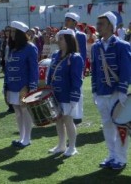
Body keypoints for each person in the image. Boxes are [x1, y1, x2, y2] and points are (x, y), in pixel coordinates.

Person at [92, 11, 131, 170]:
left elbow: (126, 69)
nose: (98, 27)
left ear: (110, 26)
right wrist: (94, 90)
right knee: (107, 125)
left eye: (101, 24)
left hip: (116, 93)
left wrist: (122, 90)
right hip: (102, 92)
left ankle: (121, 158)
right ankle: (111, 155)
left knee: (120, 126)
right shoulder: (96, 47)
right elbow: (94, 70)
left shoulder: (122, 45)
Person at [46, 29, 84, 157]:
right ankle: (61, 145)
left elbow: (76, 80)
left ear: (69, 40)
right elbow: (50, 74)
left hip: (67, 95)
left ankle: (72, 147)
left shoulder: (75, 57)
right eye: (59, 38)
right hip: (55, 94)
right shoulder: (56, 54)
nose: (58, 41)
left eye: (61, 38)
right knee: (58, 120)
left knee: (68, 120)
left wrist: (74, 97)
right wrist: (47, 90)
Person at [4, 21, 38, 148]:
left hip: (24, 86)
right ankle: (21, 137)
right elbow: (8, 68)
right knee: (17, 111)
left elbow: (33, 69)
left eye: (13, 32)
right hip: (13, 85)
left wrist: (31, 87)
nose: (10, 34)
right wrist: (6, 86)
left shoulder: (30, 47)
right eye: (10, 31)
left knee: (25, 110)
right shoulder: (12, 48)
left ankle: (27, 138)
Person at [65, 12, 87, 125]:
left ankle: (78, 116)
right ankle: (69, 114)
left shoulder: (81, 35)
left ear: (75, 22)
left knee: (78, 91)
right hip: (65, 67)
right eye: (66, 19)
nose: (66, 22)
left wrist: (82, 69)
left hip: (76, 66)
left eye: (69, 20)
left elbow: (82, 53)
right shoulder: (63, 34)